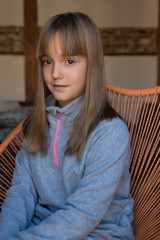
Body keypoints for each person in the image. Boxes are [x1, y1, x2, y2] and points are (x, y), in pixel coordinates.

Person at [0, 12, 134, 240]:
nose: (55, 74)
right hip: (39, 230)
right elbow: (21, 193)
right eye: (47, 61)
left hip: (98, 233)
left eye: (69, 61)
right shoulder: (36, 124)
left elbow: (83, 213)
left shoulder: (110, 133)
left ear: (92, 65)